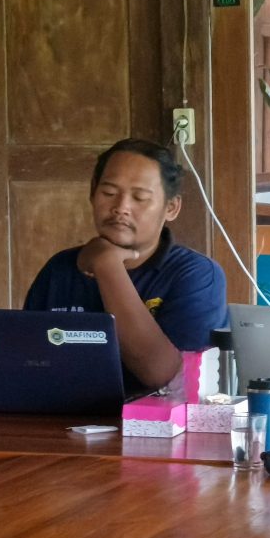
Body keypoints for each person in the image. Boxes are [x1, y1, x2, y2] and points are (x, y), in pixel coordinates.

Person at [24, 138, 228, 396]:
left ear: (171, 207)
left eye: (140, 198)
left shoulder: (196, 275)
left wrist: (107, 265)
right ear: (92, 193)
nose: (121, 208)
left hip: (151, 420)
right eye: (109, 193)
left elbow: (164, 376)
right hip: (65, 415)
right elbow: (28, 361)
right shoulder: (59, 269)